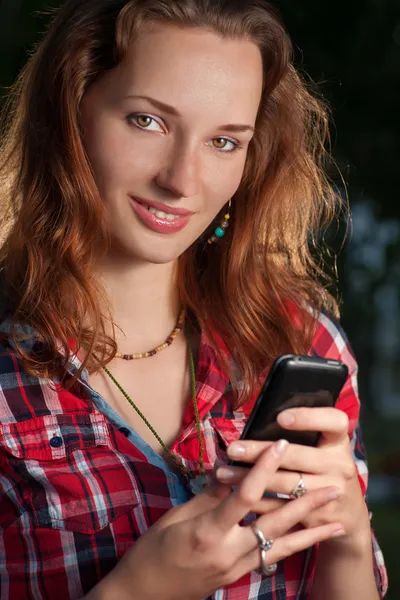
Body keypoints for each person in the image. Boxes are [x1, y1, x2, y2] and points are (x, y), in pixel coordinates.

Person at [0, 1, 388, 599]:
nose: (182, 180)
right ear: (68, 113)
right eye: (147, 122)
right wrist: (136, 590)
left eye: (224, 142)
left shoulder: (301, 341)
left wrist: (349, 536)